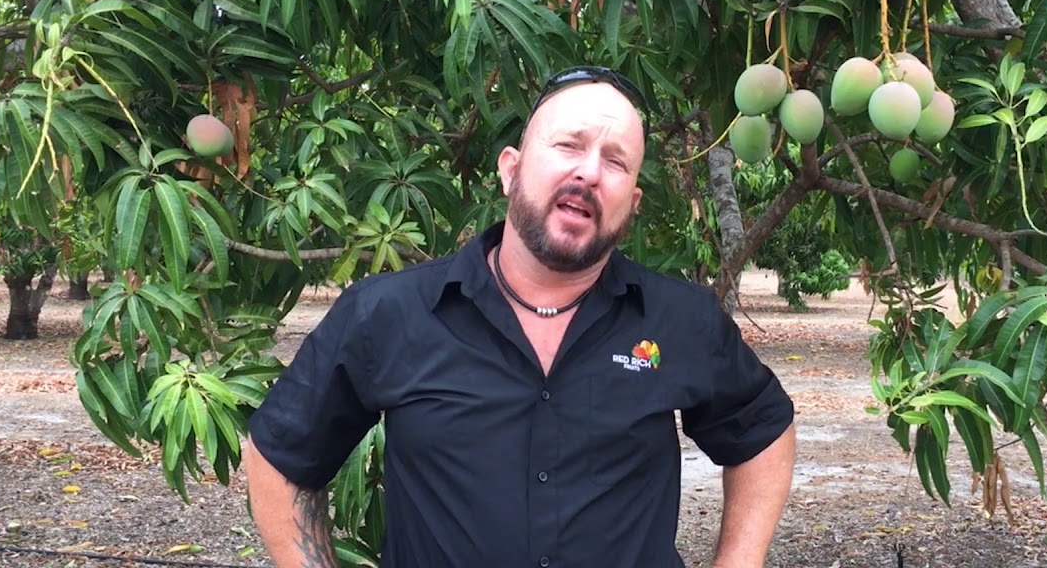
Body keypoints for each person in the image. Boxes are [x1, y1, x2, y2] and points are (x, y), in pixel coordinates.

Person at [243, 66, 797, 568]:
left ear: (633, 203)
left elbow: (763, 433)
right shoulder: (389, 313)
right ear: (510, 169)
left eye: (616, 161)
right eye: (569, 145)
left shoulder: (679, 320)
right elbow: (280, 453)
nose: (589, 172)